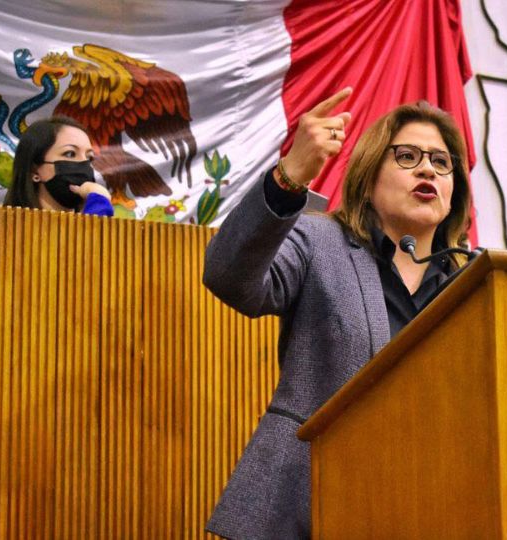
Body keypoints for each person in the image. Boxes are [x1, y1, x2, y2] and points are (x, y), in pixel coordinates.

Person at [202, 88, 472, 539]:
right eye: (407, 156)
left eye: (441, 162)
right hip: (304, 507)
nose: (427, 168)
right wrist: (288, 177)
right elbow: (229, 277)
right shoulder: (318, 242)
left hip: (427, 505)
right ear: (368, 178)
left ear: (452, 192)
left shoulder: (475, 284)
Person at [3, 116, 114, 216]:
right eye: (70, 154)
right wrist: (99, 202)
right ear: (34, 171)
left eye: (89, 157)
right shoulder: (5, 230)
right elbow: (91, 235)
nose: (84, 164)